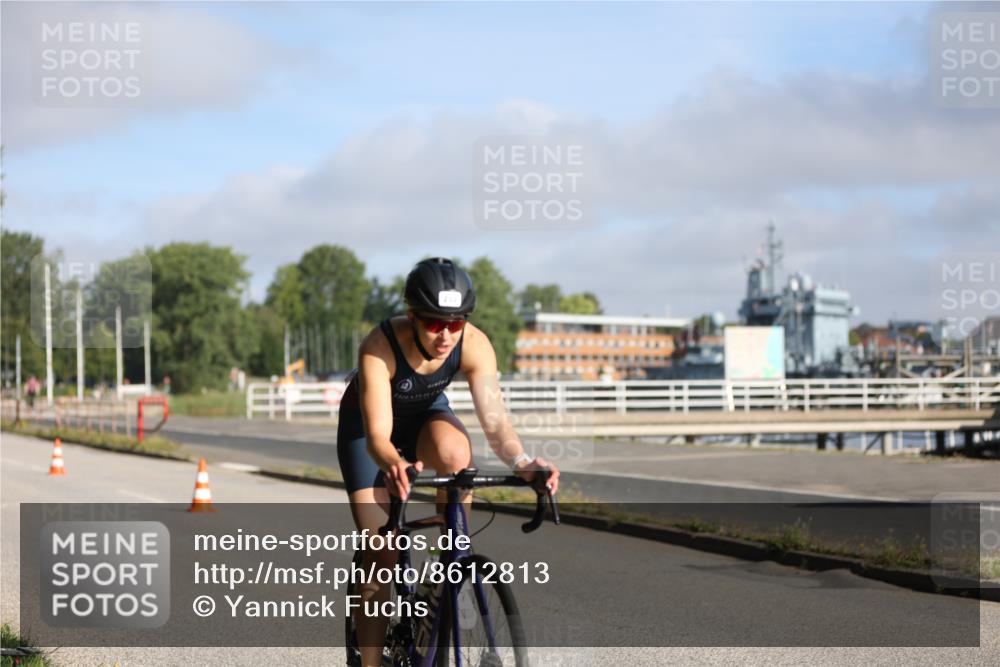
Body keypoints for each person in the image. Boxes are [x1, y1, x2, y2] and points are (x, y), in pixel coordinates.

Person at [337, 257, 559, 667]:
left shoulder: (474, 344)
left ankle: (448, 574)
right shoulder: (380, 346)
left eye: (455, 323)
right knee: (383, 549)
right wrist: (394, 464)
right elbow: (379, 437)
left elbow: (495, 423)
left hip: (424, 416)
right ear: (412, 317)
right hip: (369, 430)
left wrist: (524, 462)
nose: (445, 334)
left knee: (459, 456)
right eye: (435, 323)